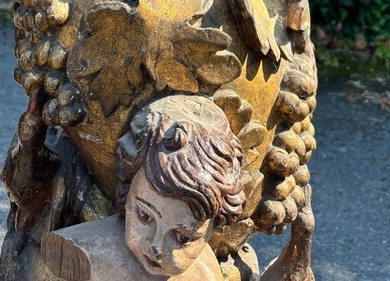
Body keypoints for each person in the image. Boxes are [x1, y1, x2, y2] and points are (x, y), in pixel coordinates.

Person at [41, 95, 245, 279]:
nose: (157, 246)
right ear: (127, 189)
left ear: (213, 228)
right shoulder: (77, 253)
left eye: (183, 237)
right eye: (145, 216)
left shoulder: (205, 274)